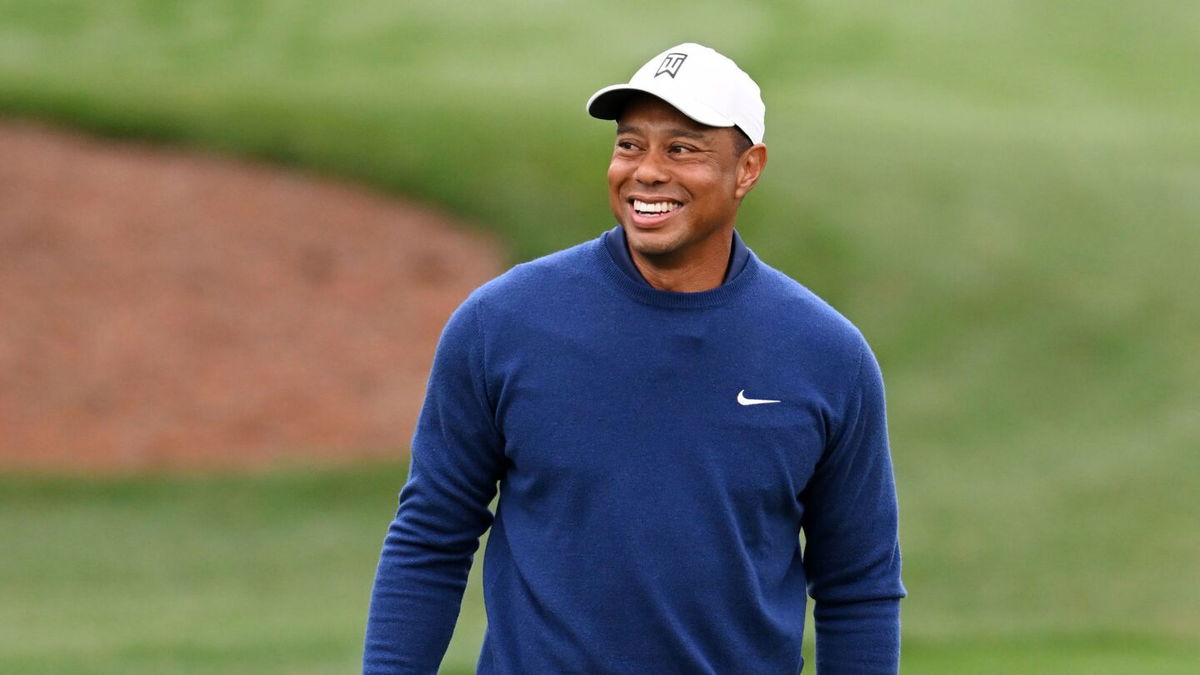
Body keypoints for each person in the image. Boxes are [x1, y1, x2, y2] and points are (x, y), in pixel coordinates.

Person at [363, 42, 905, 674]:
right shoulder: (502, 324)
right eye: (629, 144)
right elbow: (431, 539)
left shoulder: (827, 355)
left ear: (748, 168)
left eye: (682, 148)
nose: (646, 171)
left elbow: (859, 584)